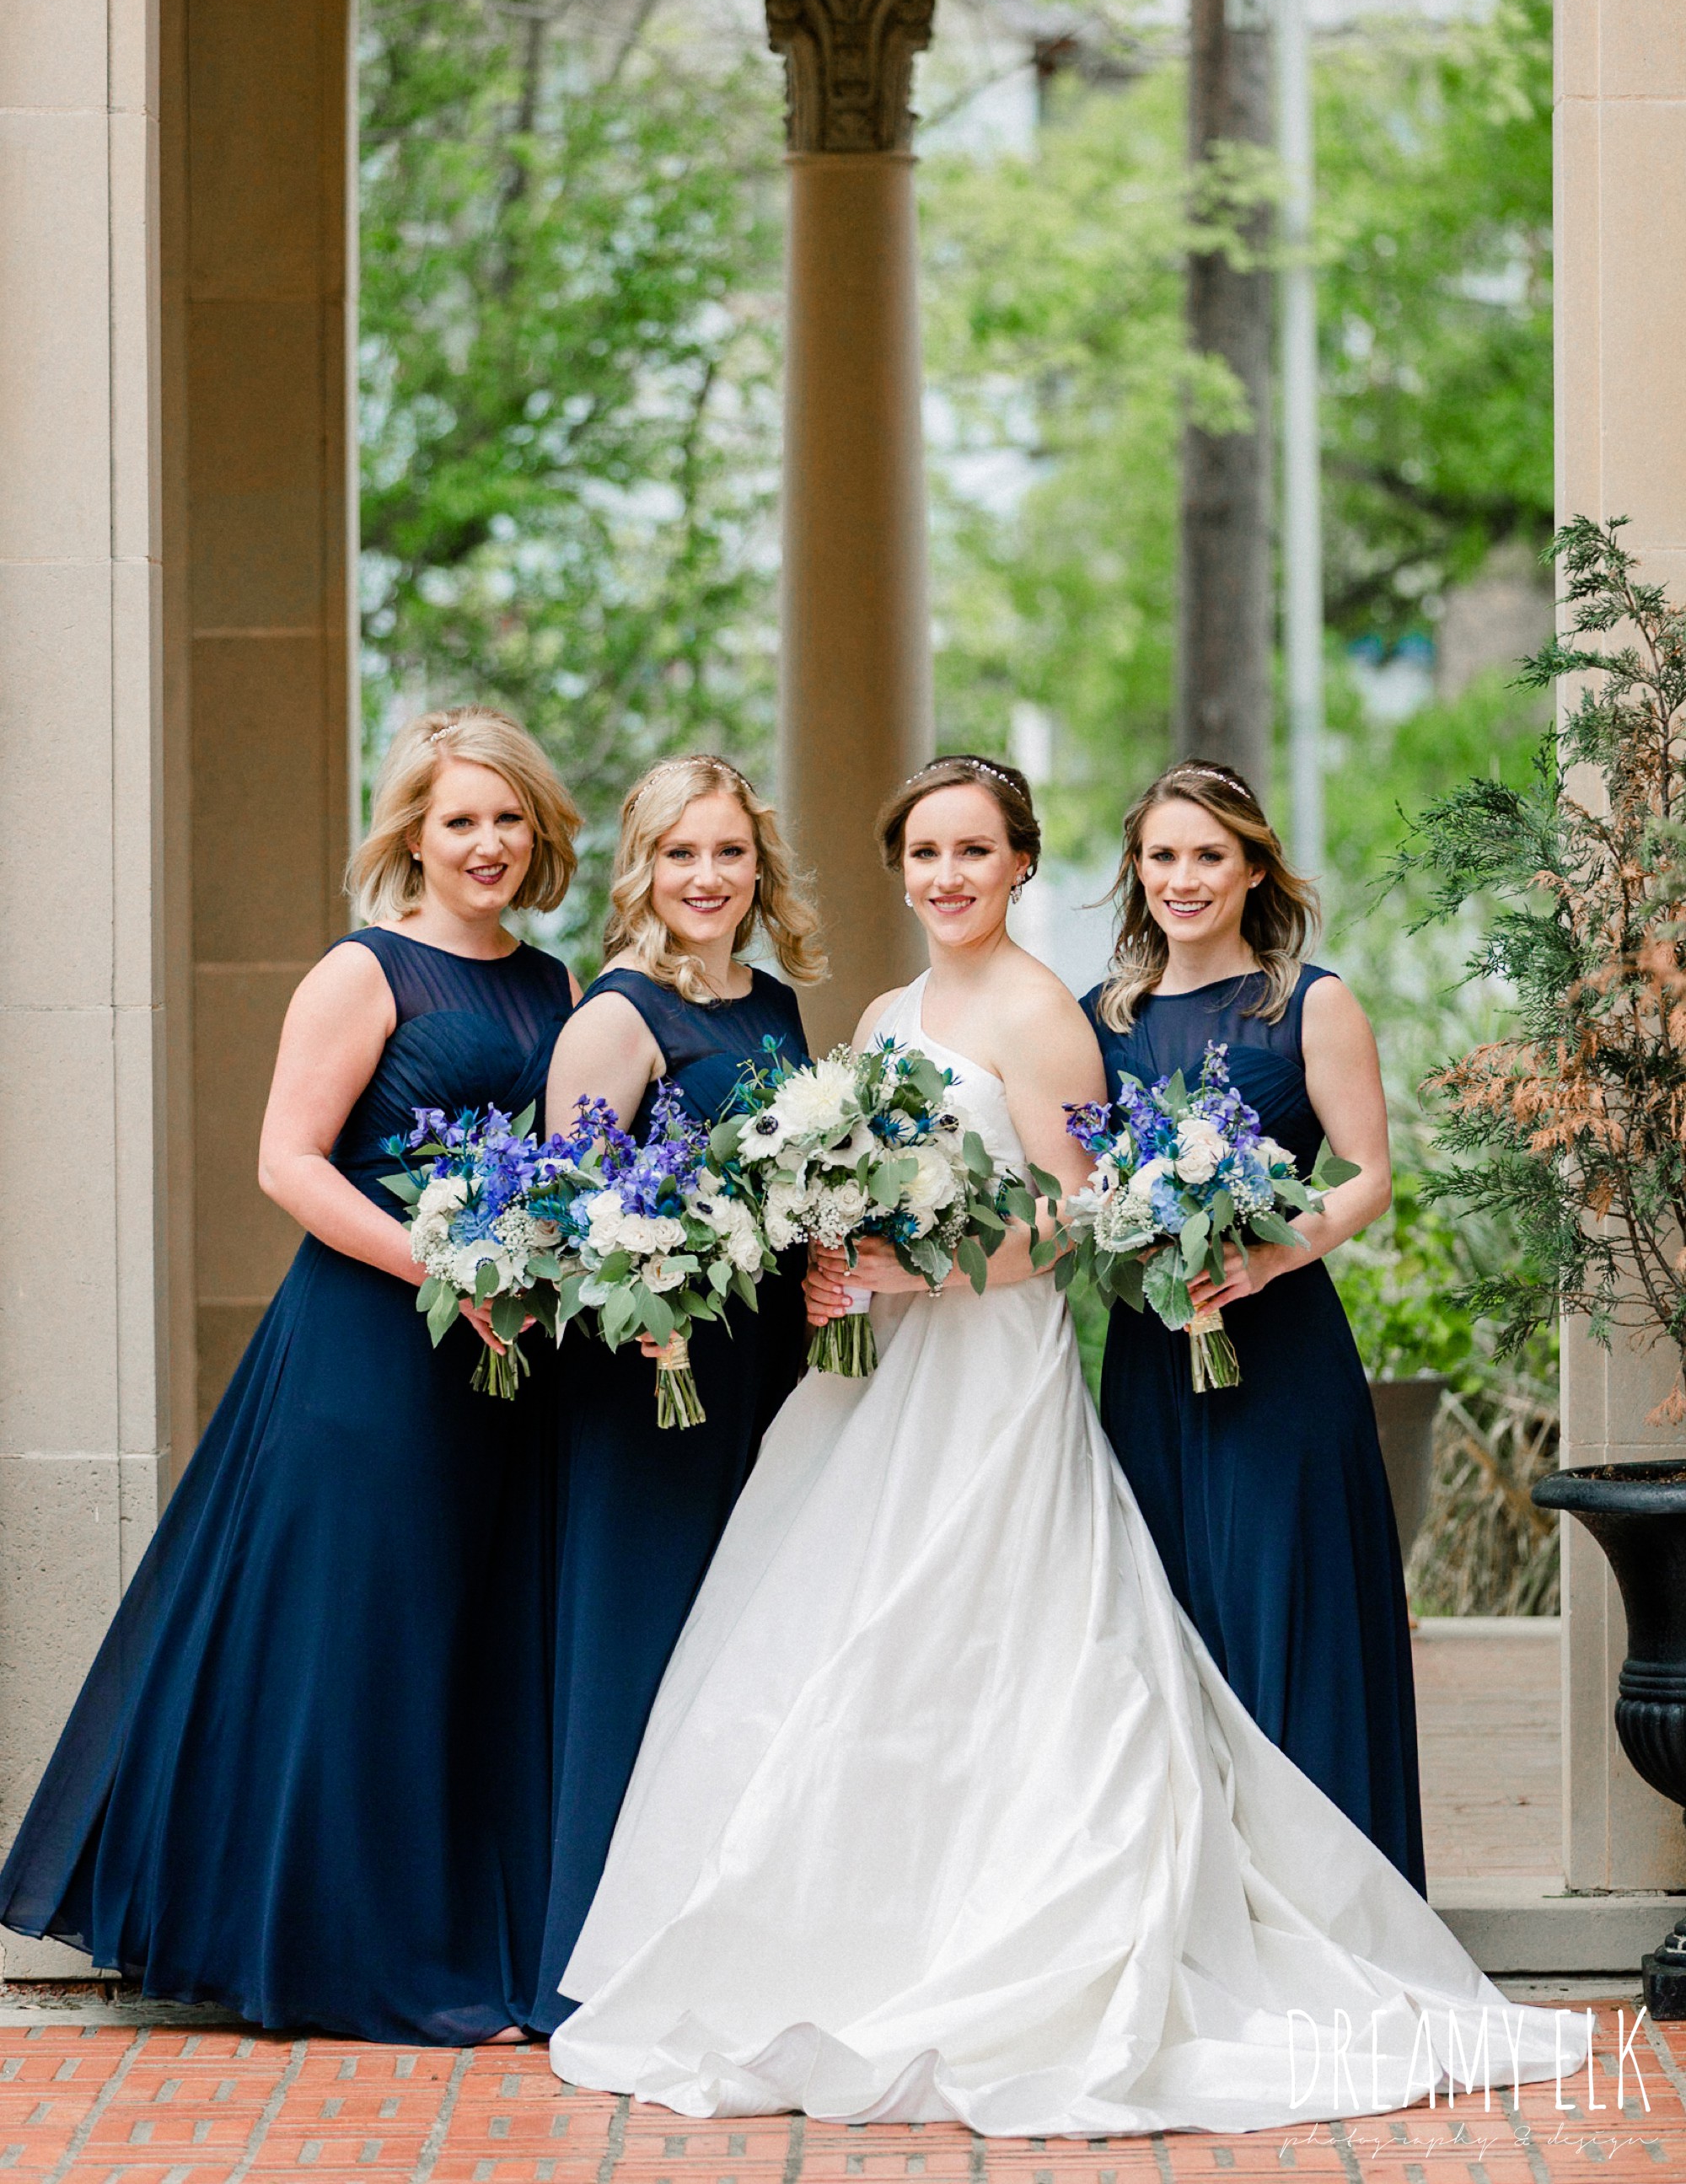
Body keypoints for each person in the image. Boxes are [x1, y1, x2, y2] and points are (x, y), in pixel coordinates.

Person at [545, 754, 1572, 2134]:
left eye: (976, 850)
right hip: (877, 1379)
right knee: (833, 1641)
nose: (950, 876)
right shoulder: (886, 1009)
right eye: (925, 854)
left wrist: (915, 1272)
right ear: (901, 867)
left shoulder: (1046, 1015)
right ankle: (854, 1934)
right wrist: (832, 1256)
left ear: (1022, 864)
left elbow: (1078, 1220)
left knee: (988, 1642)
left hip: (990, 1370)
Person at [0, 706, 582, 2042]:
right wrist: (445, 1271)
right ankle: (348, 1957)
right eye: (459, 822)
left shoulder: (557, 986)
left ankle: (464, 1939)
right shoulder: (363, 971)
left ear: (541, 830)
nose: (487, 843)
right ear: (413, 837)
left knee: (466, 1635)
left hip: (505, 1365)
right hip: (370, 1347)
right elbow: (290, 1161)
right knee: (361, 1632)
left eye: (508, 819)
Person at [1081, 759, 1422, 1889]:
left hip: (1280, 1359)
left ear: (1253, 866)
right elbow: (1078, 1186)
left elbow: (1370, 1173)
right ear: (1137, 869)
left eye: (1208, 855)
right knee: (1170, 1615)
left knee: (1290, 1606)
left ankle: (1330, 1904)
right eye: (1163, 855)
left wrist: (1271, 1251)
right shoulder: (1104, 1020)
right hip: (1151, 1358)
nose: (1184, 877)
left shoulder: (1308, 1002)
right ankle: (1200, 1905)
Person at [535, 753, 823, 2015]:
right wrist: (648, 1310)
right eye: (681, 853)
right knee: (645, 1642)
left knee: (747, 1646)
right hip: (651, 1375)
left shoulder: (774, 1005)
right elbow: (568, 1219)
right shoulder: (618, 1014)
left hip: (765, 1365)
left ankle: (724, 1939)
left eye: (729, 852)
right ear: (643, 868)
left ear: (760, 864)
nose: (707, 877)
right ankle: (602, 1962)